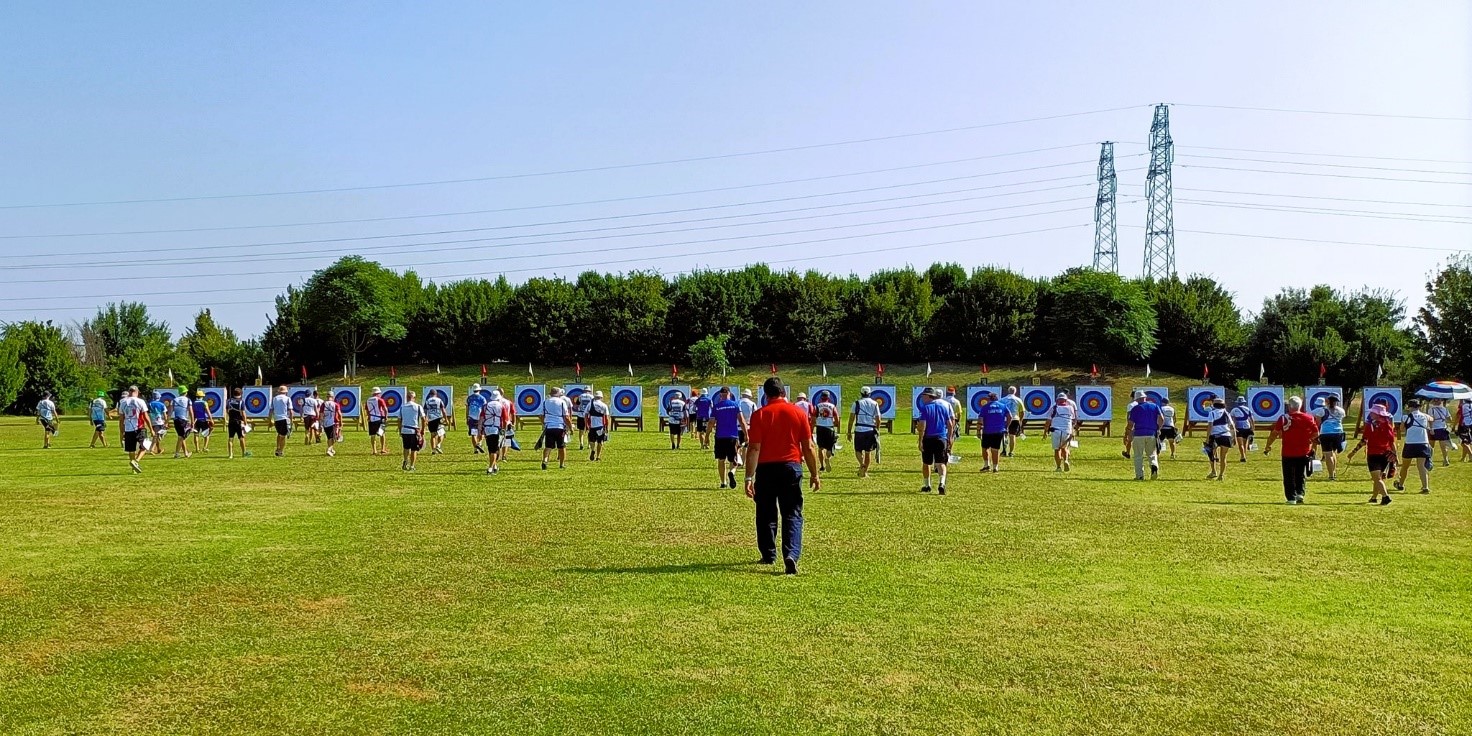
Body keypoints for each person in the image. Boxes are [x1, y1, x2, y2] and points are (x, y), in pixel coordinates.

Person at [743, 377, 820, 575]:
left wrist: (748, 477)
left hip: (766, 469)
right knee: (792, 512)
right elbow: (809, 446)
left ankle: (768, 554)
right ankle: (791, 554)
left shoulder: (759, 415)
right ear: (784, 392)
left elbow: (753, 448)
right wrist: (814, 473)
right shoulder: (798, 413)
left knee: (766, 513)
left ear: (765, 395)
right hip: (791, 467)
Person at [1262, 396, 1319, 505]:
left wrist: (1268, 445)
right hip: (1304, 451)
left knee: (1288, 475)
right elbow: (1316, 433)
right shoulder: (1309, 418)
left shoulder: (1284, 418)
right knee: (1300, 473)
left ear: (1289, 406)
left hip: (1288, 451)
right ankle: (1300, 494)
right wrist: (1309, 439)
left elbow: (1274, 433)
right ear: (1300, 406)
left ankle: (1291, 498)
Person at [1346, 399, 1397, 505]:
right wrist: (1395, 456)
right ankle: (1374, 497)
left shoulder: (1370, 426)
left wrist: (1353, 452)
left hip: (1373, 454)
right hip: (1386, 455)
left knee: (1377, 478)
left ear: (1378, 414)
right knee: (1378, 478)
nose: (1370, 414)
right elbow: (1392, 443)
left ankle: (1385, 496)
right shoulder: (1388, 426)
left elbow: (1364, 440)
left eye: (1373, 412)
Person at [915, 386, 955, 494]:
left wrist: (920, 440)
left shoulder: (925, 408)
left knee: (926, 463)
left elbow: (922, 426)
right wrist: (950, 438)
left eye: (924, 396)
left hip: (928, 438)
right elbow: (950, 425)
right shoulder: (944, 407)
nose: (922, 398)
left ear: (929, 396)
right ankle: (942, 483)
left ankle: (927, 485)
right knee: (941, 463)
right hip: (941, 438)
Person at [1394, 399, 1434, 494]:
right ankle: (1425, 487)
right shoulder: (1425, 416)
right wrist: (1430, 427)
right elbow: (1432, 419)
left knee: (1405, 466)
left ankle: (1401, 484)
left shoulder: (1405, 417)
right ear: (1419, 406)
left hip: (1410, 444)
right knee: (1421, 467)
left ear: (1409, 407)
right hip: (1423, 443)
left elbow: (1402, 429)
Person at [1122, 391, 1162, 480]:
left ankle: (1139, 476)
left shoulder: (1135, 409)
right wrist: (1158, 428)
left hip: (1138, 435)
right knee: (1152, 454)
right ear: (1145, 397)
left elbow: (1130, 424)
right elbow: (1161, 418)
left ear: (1136, 399)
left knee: (1138, 456)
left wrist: (1127, 434)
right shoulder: (1155, 406)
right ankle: (1154, 465)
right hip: (1151, 434)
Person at [713, 387, 747, 488]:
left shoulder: (717, 406)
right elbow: (741, 421)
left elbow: (711, 422)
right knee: (734, 459)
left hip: (720, 437)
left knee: (721, 460)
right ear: (729, 394)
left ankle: (723, 482)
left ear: (720, 395)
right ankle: (732, 472)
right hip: (732, 436)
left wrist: (706, 436)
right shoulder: (735, 405)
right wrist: (746, 434)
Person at [846, 386, 882, 478]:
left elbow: (851, 419)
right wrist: (877, 429)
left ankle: (861, 464)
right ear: (870, 394)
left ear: (861, 393)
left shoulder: (856, 403)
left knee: (858, 450)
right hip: (870, 431)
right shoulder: (874, 404)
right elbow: (878, 419)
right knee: (868, 452)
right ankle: (865, 471)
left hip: (859, 430)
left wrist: (849, 431)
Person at [1312, 394, 1347, 481]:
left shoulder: (1321, 411)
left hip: (1326, 433)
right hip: (1338, 433)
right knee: (1333, 453)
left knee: (1328, 454)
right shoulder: (1341, 411)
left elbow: (1318, 423)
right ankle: (1333, 472)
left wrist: (1316, 435)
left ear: (1327, 401)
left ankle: (1331, 475)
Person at [478, 389, 512, 475]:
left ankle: (495, 466)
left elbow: (481, 419)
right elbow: (505, 420)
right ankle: (490, 468)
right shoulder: (501, 406)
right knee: (494, 450)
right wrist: (504, 430)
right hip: (496, 429)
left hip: (487, 430)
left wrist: (479, 431)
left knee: (491, 449)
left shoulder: (485, 406)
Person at [117, 386, 150, 474]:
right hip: (139, 427)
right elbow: (145, 416)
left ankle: (133, 468)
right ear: (137, 392)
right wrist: (151, 429)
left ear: (129, 391)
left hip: (128, 428)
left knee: (131, 449)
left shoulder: (122, 402)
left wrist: (122, 431)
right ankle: (136, 461)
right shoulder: (140, 401)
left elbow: (121, 419)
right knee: (145, 446)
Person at [977, 391, 1012, 473]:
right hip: (999, 431)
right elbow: (1010, 416)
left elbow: (980, 420)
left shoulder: (985, 407)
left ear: (988, 399)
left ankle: (986, 465)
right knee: (995, 449)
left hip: (987, 431)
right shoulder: (1003, 406)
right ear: (996, 398)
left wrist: (978, 430)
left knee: (984, 448)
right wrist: (1006, 426)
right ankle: (995, 467)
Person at [541, 386, 572, 470]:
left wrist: (545, 423)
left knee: (548, 446)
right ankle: (561, 464)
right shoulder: (562, 402)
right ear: (559, 394)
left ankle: (545, 460)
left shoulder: (545, 402)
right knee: (562, 447)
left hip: (549, 427)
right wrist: (570, 427)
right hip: (559, 427)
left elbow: (541, 415)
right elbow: (566, 417)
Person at [1205, 398, 1236, 481]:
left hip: (1214, 436)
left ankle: (1214, 471)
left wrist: (1207, 438)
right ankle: (1221, 475)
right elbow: (1232, 426)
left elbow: (1210, 426)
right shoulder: (1227, 413)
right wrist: (1234, 437)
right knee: (1223, 457)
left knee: (1211, 455)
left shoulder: (1212, 413)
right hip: (1226, 436)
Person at [1049, 390, 1078, 472]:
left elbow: (1048, 420)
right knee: (1064, 448)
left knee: (1057, 449)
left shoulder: (1054, 407)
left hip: (1056, 431)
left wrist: (1045, 431)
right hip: (1067, 431)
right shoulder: (1071, 408)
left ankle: (1058, 467)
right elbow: (1074, 419)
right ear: (1066, 400)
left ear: (1057, 400)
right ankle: (1066, 460)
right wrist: (1073, 428)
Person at [812, 390, 840, 472]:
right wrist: (835, 425)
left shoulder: (817, 406)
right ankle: (827, 458)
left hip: (820, 428)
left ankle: (822, 466)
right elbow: (837, 418)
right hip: (829, 428)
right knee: (829, 448)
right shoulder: (832, 406)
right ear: (829, 397)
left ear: (821, 397)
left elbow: (813, 419)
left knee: (820, 448)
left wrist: (812, 428)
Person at [399, 390, 426, 471]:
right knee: (414, 449)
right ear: (414, 398)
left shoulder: (402, 407)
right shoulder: (418, 407)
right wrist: (423, 430)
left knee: (406, 447)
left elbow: (399, 420)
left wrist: (400, 430)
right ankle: (412, 466)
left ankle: (405, 460)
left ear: (407, 398)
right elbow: (423, 419)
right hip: (414, 431)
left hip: (405, 430)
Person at [269, 385, 293, 457]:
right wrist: (291, 420)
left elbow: (271, 410)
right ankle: (280, 451)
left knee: (279, 434)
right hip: (284, 418)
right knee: (283, 435)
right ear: (286, 392)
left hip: (276, 419)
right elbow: (291, 411)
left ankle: (277, 448)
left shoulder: (274, 399)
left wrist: (270, 419)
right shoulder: (287, 399)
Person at [226, 387, 250, 459]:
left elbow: (227, 411)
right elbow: (243, 413)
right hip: (239, 422)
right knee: (241, 437)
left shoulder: (229, 401)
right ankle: (243, 453)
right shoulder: (241, 402)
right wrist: (245, 422)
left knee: (230, 438)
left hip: (231, 421)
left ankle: (230, 455)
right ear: (241, 394)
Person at [1000, 386, 1025, 457]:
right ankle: (1011, 452)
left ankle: (1004, 451)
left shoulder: (1002, 400)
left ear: (1008, 391)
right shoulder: (1018, 400)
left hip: (1005, 419)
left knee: (1004, 435)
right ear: (1015, 392)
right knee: (1012, 435)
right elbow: (1022, 412)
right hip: (1015, 419)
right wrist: (1020, 421)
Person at [1428, 398, 1453, 467]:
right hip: (1442, 429)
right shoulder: (1445, 409)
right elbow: (1450, 419)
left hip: (1434, 429)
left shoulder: (1431, 409)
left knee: (1431, 446)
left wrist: (1431, 429)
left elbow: (1430, 420)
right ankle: (1446, 459)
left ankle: (1430, 460)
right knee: (1443, 446)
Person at [587, 390, 610, 462]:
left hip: (592, 426)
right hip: (600, 426)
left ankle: (593, 450)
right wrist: (607, 427)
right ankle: (598, 456)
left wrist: (587, 425)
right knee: (600, 441)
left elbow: (585, 414)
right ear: (601, 397)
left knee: (591, 441)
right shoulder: (604, 405)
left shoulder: (590, 404)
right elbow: (606, 418)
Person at [1230, 396, 1255, 462]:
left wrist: (1232, 429)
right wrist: (1253, 427)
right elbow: (1252, 419)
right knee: (1245, 443)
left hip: (1238, 428)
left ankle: (1243, 456)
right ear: (1244, 403)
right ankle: (1244, 456)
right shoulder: (1248, 409)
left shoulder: (1234, 410)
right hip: (1247, 427)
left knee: (1240, 444)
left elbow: (1232, 420)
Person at [171, 388, 193, 459]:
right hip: (183, 420)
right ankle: (176, 453)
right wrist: (192, 421)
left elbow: (170, 412)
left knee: (181, 436)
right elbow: (191, 411)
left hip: (176, 421)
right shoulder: (188, 400)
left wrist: (166, 422)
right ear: (185, 392)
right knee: (181, 437)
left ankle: (186, 453)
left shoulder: (174, 400)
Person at [366, 388, 389, 456]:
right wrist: (386, 417)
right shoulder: (380, 400)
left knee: (373, 435)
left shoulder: (368, 400)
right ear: (378, 393)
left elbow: (367, 410)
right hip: (380, 419)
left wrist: (369, 417)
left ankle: (374, 450)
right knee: (382, 434)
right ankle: (382, 449)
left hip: (372, 419)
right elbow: (385, 409)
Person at [190, 390, 214, 454]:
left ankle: (197, 449)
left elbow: (192, 412)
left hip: (196, 420)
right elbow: (208, 411)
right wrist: (211, 419)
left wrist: (192, 421)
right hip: (203, 420)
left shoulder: (193, 403)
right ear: (202, 396)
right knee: (206, 434)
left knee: (196, 435)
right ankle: (205, 447)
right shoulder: (204, 403)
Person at [424, 390, 447, 455]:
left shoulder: (427, 401)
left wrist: (425, 420)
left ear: (430, 394)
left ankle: (433, 450)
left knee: (433, 435)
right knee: (442, 433)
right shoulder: (439, 400)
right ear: (436, 394)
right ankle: (438, 445)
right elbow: (443, 410)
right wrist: (446, 419)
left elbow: (425, 412)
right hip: (438, 418)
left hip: (431, 420)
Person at [466, 384, 487, 454]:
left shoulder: (469, 398)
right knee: (482, 432)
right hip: (480, 417)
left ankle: (475, 448)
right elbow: (485, 409)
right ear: (479, 390)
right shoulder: (482, 398)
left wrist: (467, 417)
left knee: (473, 433)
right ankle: (479, 443)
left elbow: (467, 408)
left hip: (471, 417)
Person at [319, 390, 342, 457]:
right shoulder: (336, 404)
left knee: (329, 437)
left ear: (327, 396)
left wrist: (321, 424)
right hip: (333, 423)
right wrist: (341, 422)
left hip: (325, 423)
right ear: (333, 397)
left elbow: (321, 414)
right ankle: (329, 450)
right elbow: (340, 414)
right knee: (333, 438)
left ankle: (331, 449)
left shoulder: (323, 404)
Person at [737, 389, 757, 453]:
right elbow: (755, 416)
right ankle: (743, 461)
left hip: (737, 427)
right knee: (746, 445)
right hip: (748, 427)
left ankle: (737, 460)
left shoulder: (737, 402)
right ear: (749, 396)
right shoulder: (752, 404)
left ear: (742, 395)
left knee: (738, 445)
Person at [1458, 398, 1472, 463]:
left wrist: (1453, 426)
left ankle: (1471, 455)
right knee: (1466, 442)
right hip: (1470, 424)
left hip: (1464, 425)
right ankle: (1463, 458)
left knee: (1464, 442)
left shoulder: (1463, 406)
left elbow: (1459, 415)